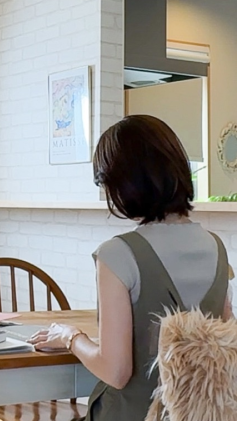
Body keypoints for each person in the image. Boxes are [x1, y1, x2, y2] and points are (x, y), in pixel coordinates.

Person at [29, 114, 232, 421]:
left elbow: (116, 371)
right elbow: (226, 346)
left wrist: (70, 337)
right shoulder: (216, 247)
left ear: (123, 183)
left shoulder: (118, 253)